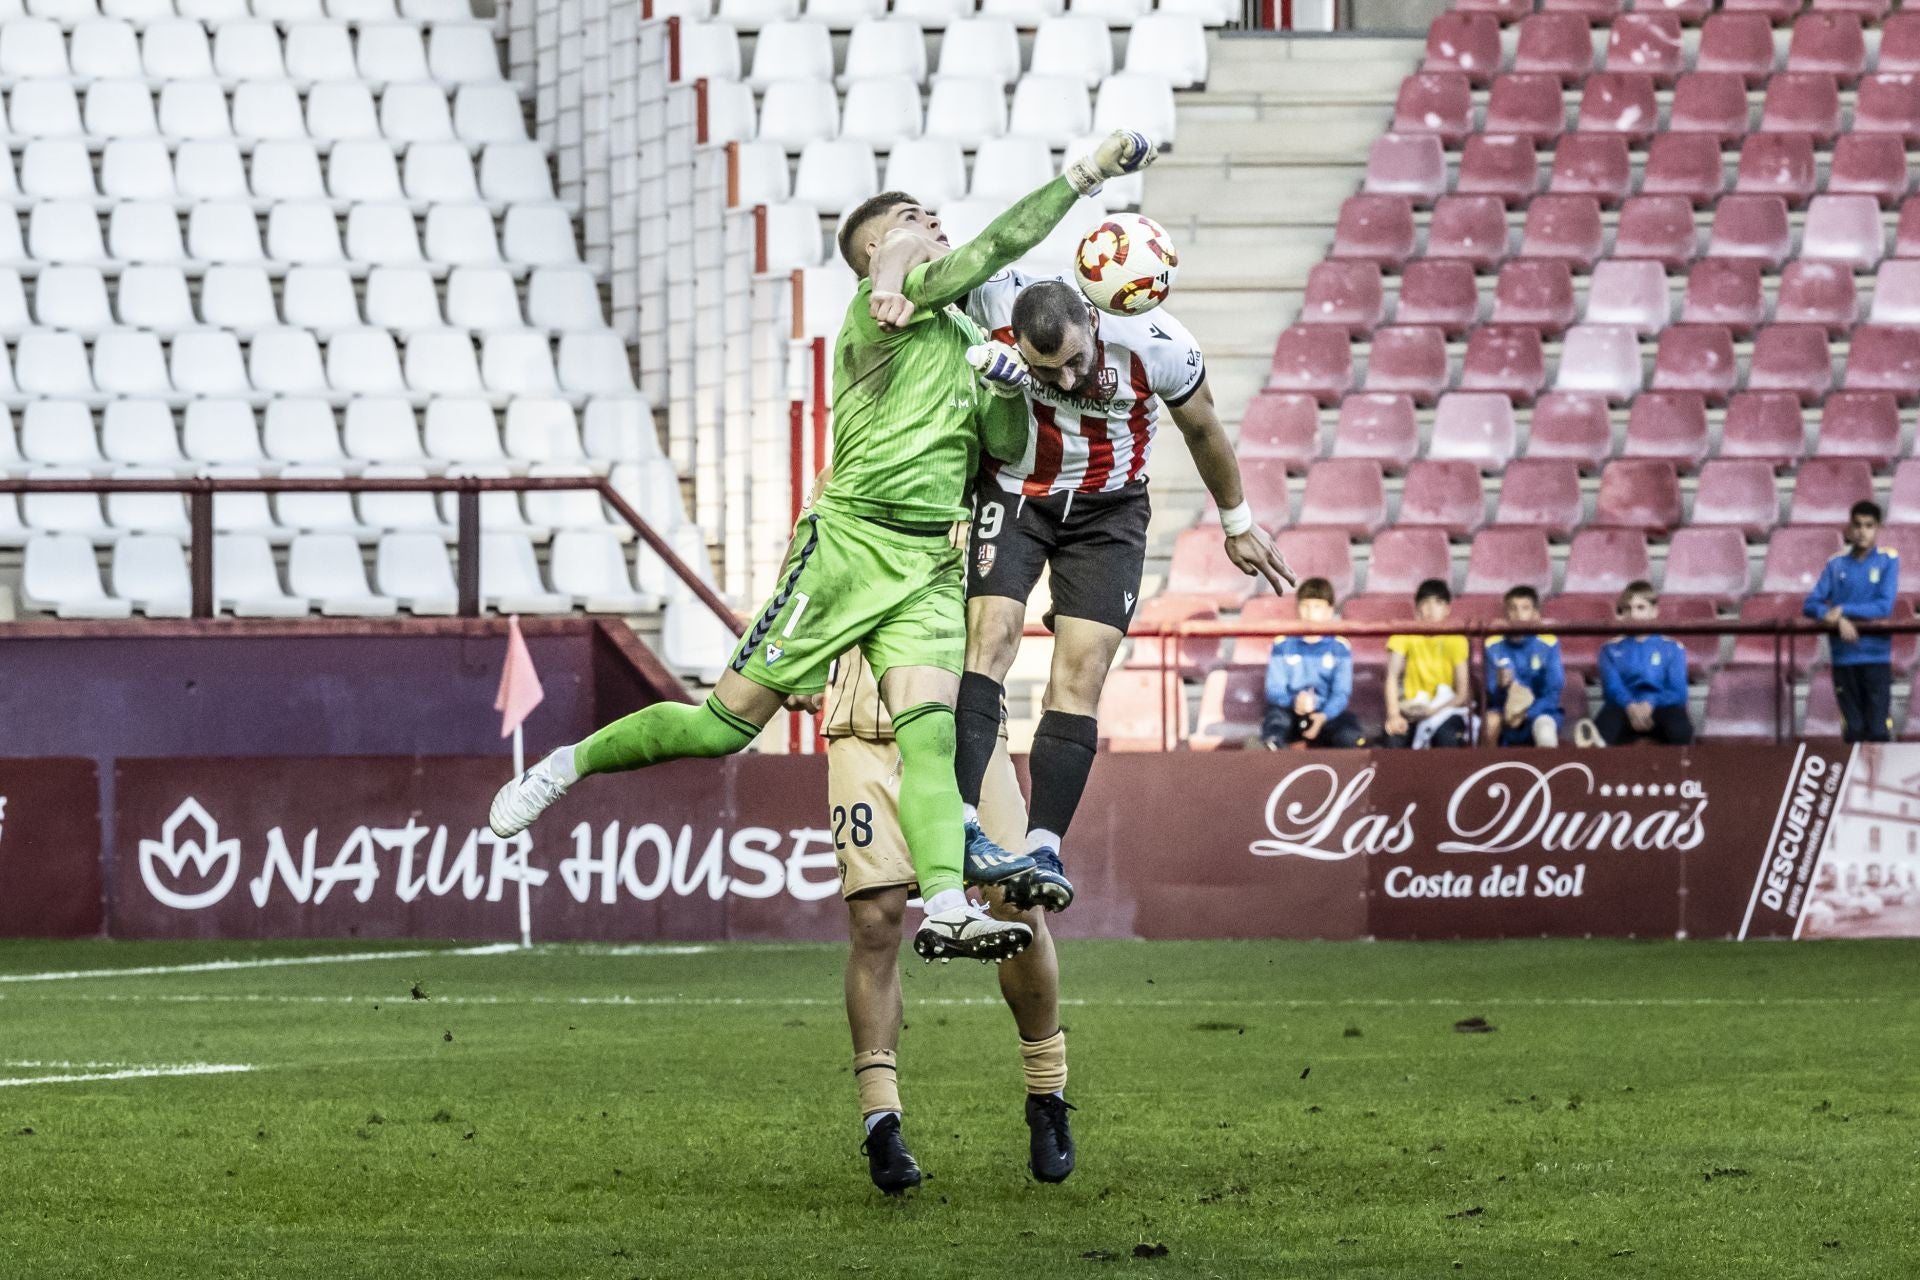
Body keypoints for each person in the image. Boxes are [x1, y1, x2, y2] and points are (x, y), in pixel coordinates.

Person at [485, 133, 1160, 965]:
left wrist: (1009, 388)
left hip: (926, 566)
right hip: (847, 546)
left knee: (931, 736)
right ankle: (566, 764)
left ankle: (945, 904)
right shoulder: (883, 312)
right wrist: (1083, 177)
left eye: (929, 217)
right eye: (914, 219)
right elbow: (969, 246)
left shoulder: (964, 337)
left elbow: (1008, 444)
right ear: (880, 249)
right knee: (722, 726)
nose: (934, 225)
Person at [859, 265, 1293, 914]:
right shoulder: (994, 295)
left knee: (1081, 671)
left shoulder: (1158, 343)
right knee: (992, 639)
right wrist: (889, 279)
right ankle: (960, 823)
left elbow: (1202, 425)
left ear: (1093, 323)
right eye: (1046, 371)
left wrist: (1237, 521)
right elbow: (921, 256)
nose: (1065, 381)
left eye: (1074, 364)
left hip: (1109, 510)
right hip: (1016, 493)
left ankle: (1043, 846)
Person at [816, 650, 1072, 1196]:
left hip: (967, 729)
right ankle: (881, 1122)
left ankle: (1047, 1093)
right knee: (874, 922)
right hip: (863, 730)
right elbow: (800, 579)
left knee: (1019, 905)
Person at [1804, 500, 1899, 744]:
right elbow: (1811, 604)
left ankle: (1877, 781)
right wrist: (1832, 619)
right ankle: (1853, 782)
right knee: (1854, 730)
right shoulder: (1836, 564)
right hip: (1844, 659)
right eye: (1857, 525)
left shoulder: (1888, 561)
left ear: (1878, 529)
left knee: (1878, 730)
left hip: (1876, 658)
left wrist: (1842, 610)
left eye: (1869, 525)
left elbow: (1883, 606)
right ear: (1849, 529)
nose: (1862, 531)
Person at [1261, 577, 1365, 749]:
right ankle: (1276, 766)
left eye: (1317, 607)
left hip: (1326, 714)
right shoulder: (1282, 644)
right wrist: (1295, 702)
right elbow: (1274, 689)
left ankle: (1346, 772)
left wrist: (1323, 715)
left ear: (1329, 611)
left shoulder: (1340, 647)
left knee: (1349, 732)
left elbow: (1341, 692)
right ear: (1297, 609)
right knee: (1275, 722)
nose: (1310, 613)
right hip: (1290, 711)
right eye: (1305, 606)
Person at [1593, 581, 1693, 746]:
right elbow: (1612, 689)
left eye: (1640, 608)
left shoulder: (1672, 647)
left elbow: (1678, 692)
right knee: (1601, 732)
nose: (1634, 614)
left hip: (1661, 707)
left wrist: (1650, 703)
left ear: (1654, 611)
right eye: (1628, 608)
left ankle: (1682, 772)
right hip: (1623, 708)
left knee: (1681, 730)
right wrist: (1631, 706)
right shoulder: (1609, 649)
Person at [1384, 579, 1471, 748]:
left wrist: (1433, 712)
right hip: (1411, 710)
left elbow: (1462, 694)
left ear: (1447, 609)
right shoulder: (1403, 635)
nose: (1431, 610)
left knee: (1446, 737)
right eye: (1425, 603)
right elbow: (1391, 677)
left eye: (1438, 603)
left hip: (1445, 710)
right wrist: (1394, 715)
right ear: (1417, 609)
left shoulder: (1457, 640)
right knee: (1393, 740)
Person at [1483, 585, 1564, 748]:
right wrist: (1499, 686)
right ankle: (1489, 770)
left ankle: (1547, 772)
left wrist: (1526, 713)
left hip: (1540, 711)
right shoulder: (1492, 644)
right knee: (1490, 722)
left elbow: (1553, 693)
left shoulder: (1548, 643)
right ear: (1506, 613)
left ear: (1535, 614)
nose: (1518, 614)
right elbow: (1492, 695)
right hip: (1505, 712)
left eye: (1525, 608)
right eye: (1512, 608)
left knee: (1545, 732)